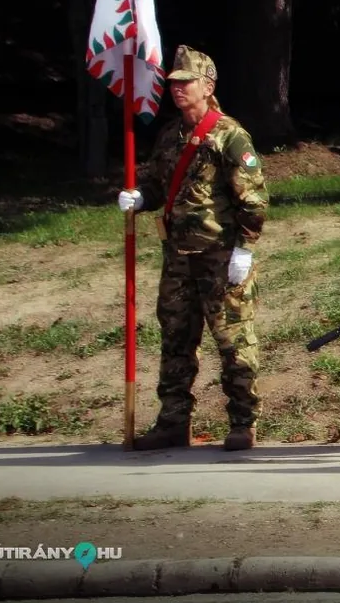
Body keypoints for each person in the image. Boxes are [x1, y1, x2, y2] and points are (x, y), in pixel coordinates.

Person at [116, 46, 268, 452]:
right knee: (176, 339)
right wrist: (140, 198)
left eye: (187, 82)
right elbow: (157, 184)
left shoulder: (230, 135)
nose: (178, 89)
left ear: (208, 86)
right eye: (174, 83)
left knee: (233, 340)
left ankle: (243, 422)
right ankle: (173, 421)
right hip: (178, 258)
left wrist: (244, 249)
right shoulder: (170, 135)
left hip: (220, 256)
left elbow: (253, 198)